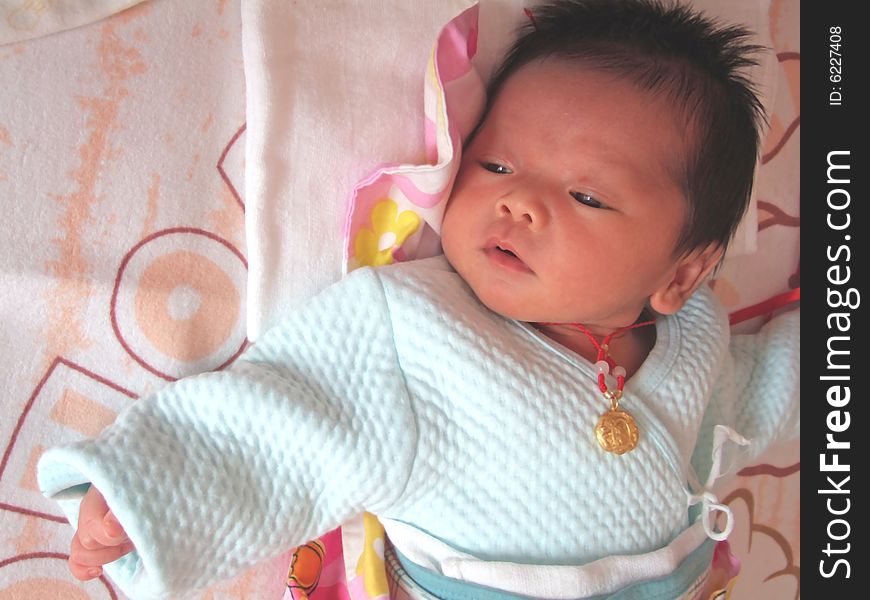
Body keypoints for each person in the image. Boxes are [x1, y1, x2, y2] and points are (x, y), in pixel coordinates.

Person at [38, 0, 799, 598]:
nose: (521, 203)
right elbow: (287, 428)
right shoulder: (422, 333)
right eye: (498, 164)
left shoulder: (693, 344)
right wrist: (144, 493)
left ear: (681, 275)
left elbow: (767, 390)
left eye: (587, 195)